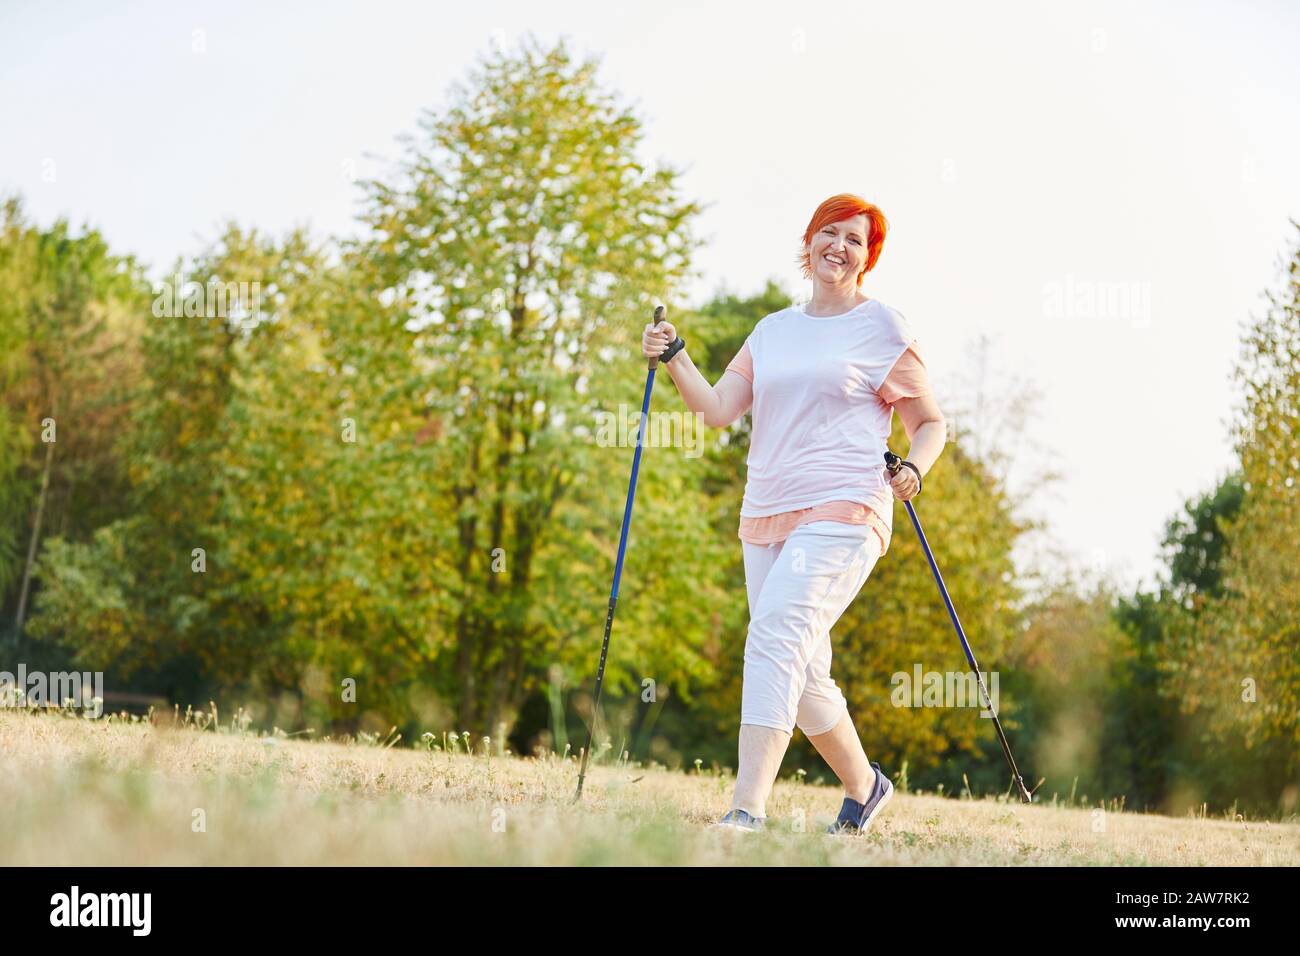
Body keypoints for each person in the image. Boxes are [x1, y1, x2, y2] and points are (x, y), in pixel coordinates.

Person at [640, 193, 947, 834]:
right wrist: (674, 357)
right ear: (807, 243)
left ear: (868, 258)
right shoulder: (772, 330)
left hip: (846, 507)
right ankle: (865, 787)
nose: (840, 246)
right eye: (829, 233)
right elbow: (719, 409)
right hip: (768, 510)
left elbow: (929, 422)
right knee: (803, 670)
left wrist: (914, 468)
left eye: (855, 240)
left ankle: (747, 809)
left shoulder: (883, 327)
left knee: (775, 634)